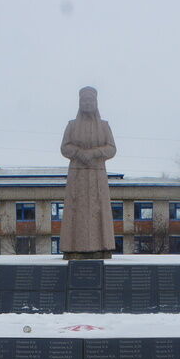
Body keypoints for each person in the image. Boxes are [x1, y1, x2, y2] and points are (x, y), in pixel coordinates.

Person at [60, 87, 117, 260]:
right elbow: (64, 147)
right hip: (77, 175)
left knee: (99, 208)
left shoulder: (104, 126)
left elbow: (112, 148)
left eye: (90, 100)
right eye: (83, 100)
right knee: (76, 209)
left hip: (97, 175)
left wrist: (95, 153)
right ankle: (73, 248)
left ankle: (102, 247)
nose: (87, 103)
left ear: (96, 102)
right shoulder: (72, 125)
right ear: (79, 103)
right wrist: (78, 153)